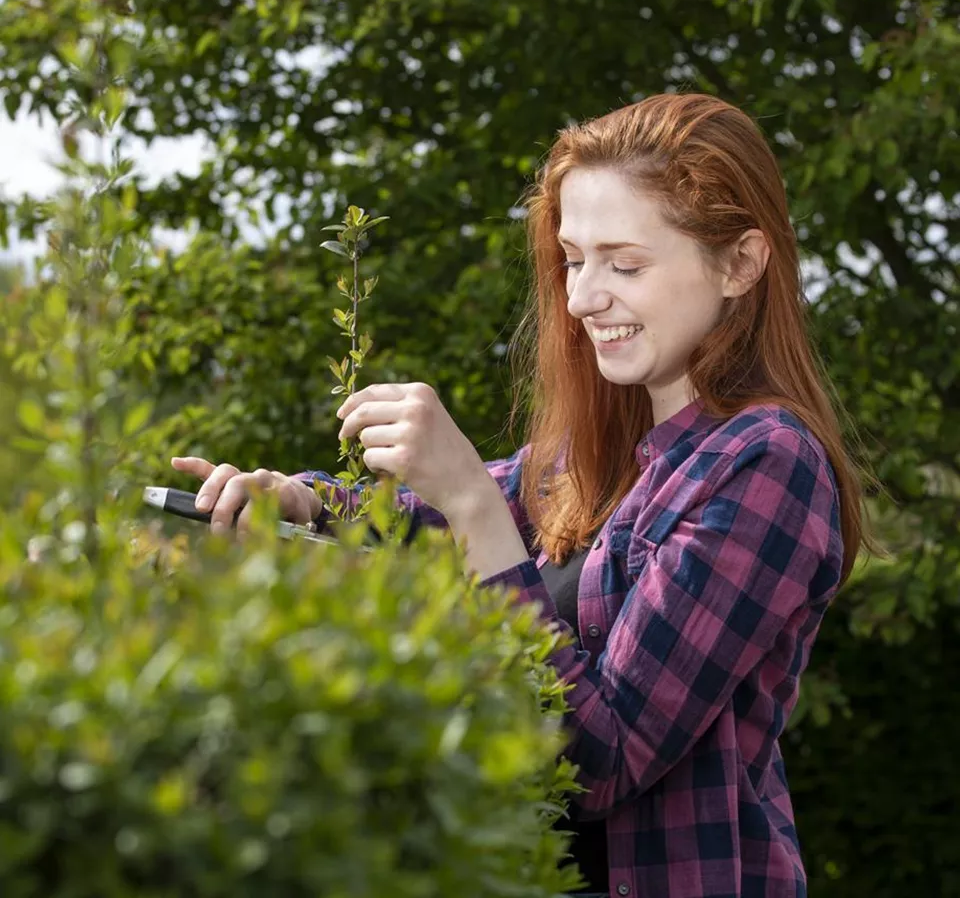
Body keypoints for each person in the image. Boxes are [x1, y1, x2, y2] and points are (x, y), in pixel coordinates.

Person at [172, 93, 872, 898]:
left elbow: (600, 762)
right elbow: (406, 529)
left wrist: (472, 502)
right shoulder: (591, 460)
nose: (580, 299)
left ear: (741, 264)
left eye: (625, 263)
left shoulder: (766, 464)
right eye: (574, 259)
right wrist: (293, 503)